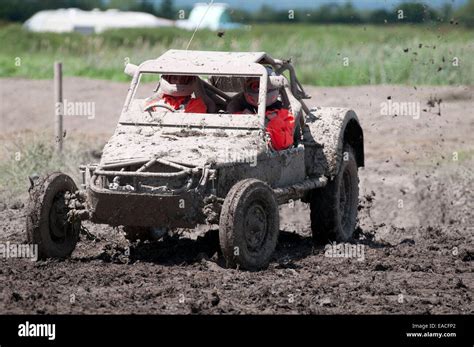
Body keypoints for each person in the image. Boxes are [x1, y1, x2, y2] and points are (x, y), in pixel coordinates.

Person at [227, 70, 295, 151]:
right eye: (255, 86)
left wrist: (274, 121)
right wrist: (245, 118)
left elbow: (282, 145)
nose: (260, 89)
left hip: (267, 157)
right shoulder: (239, 111)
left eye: (266, 86)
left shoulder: (285, 115)